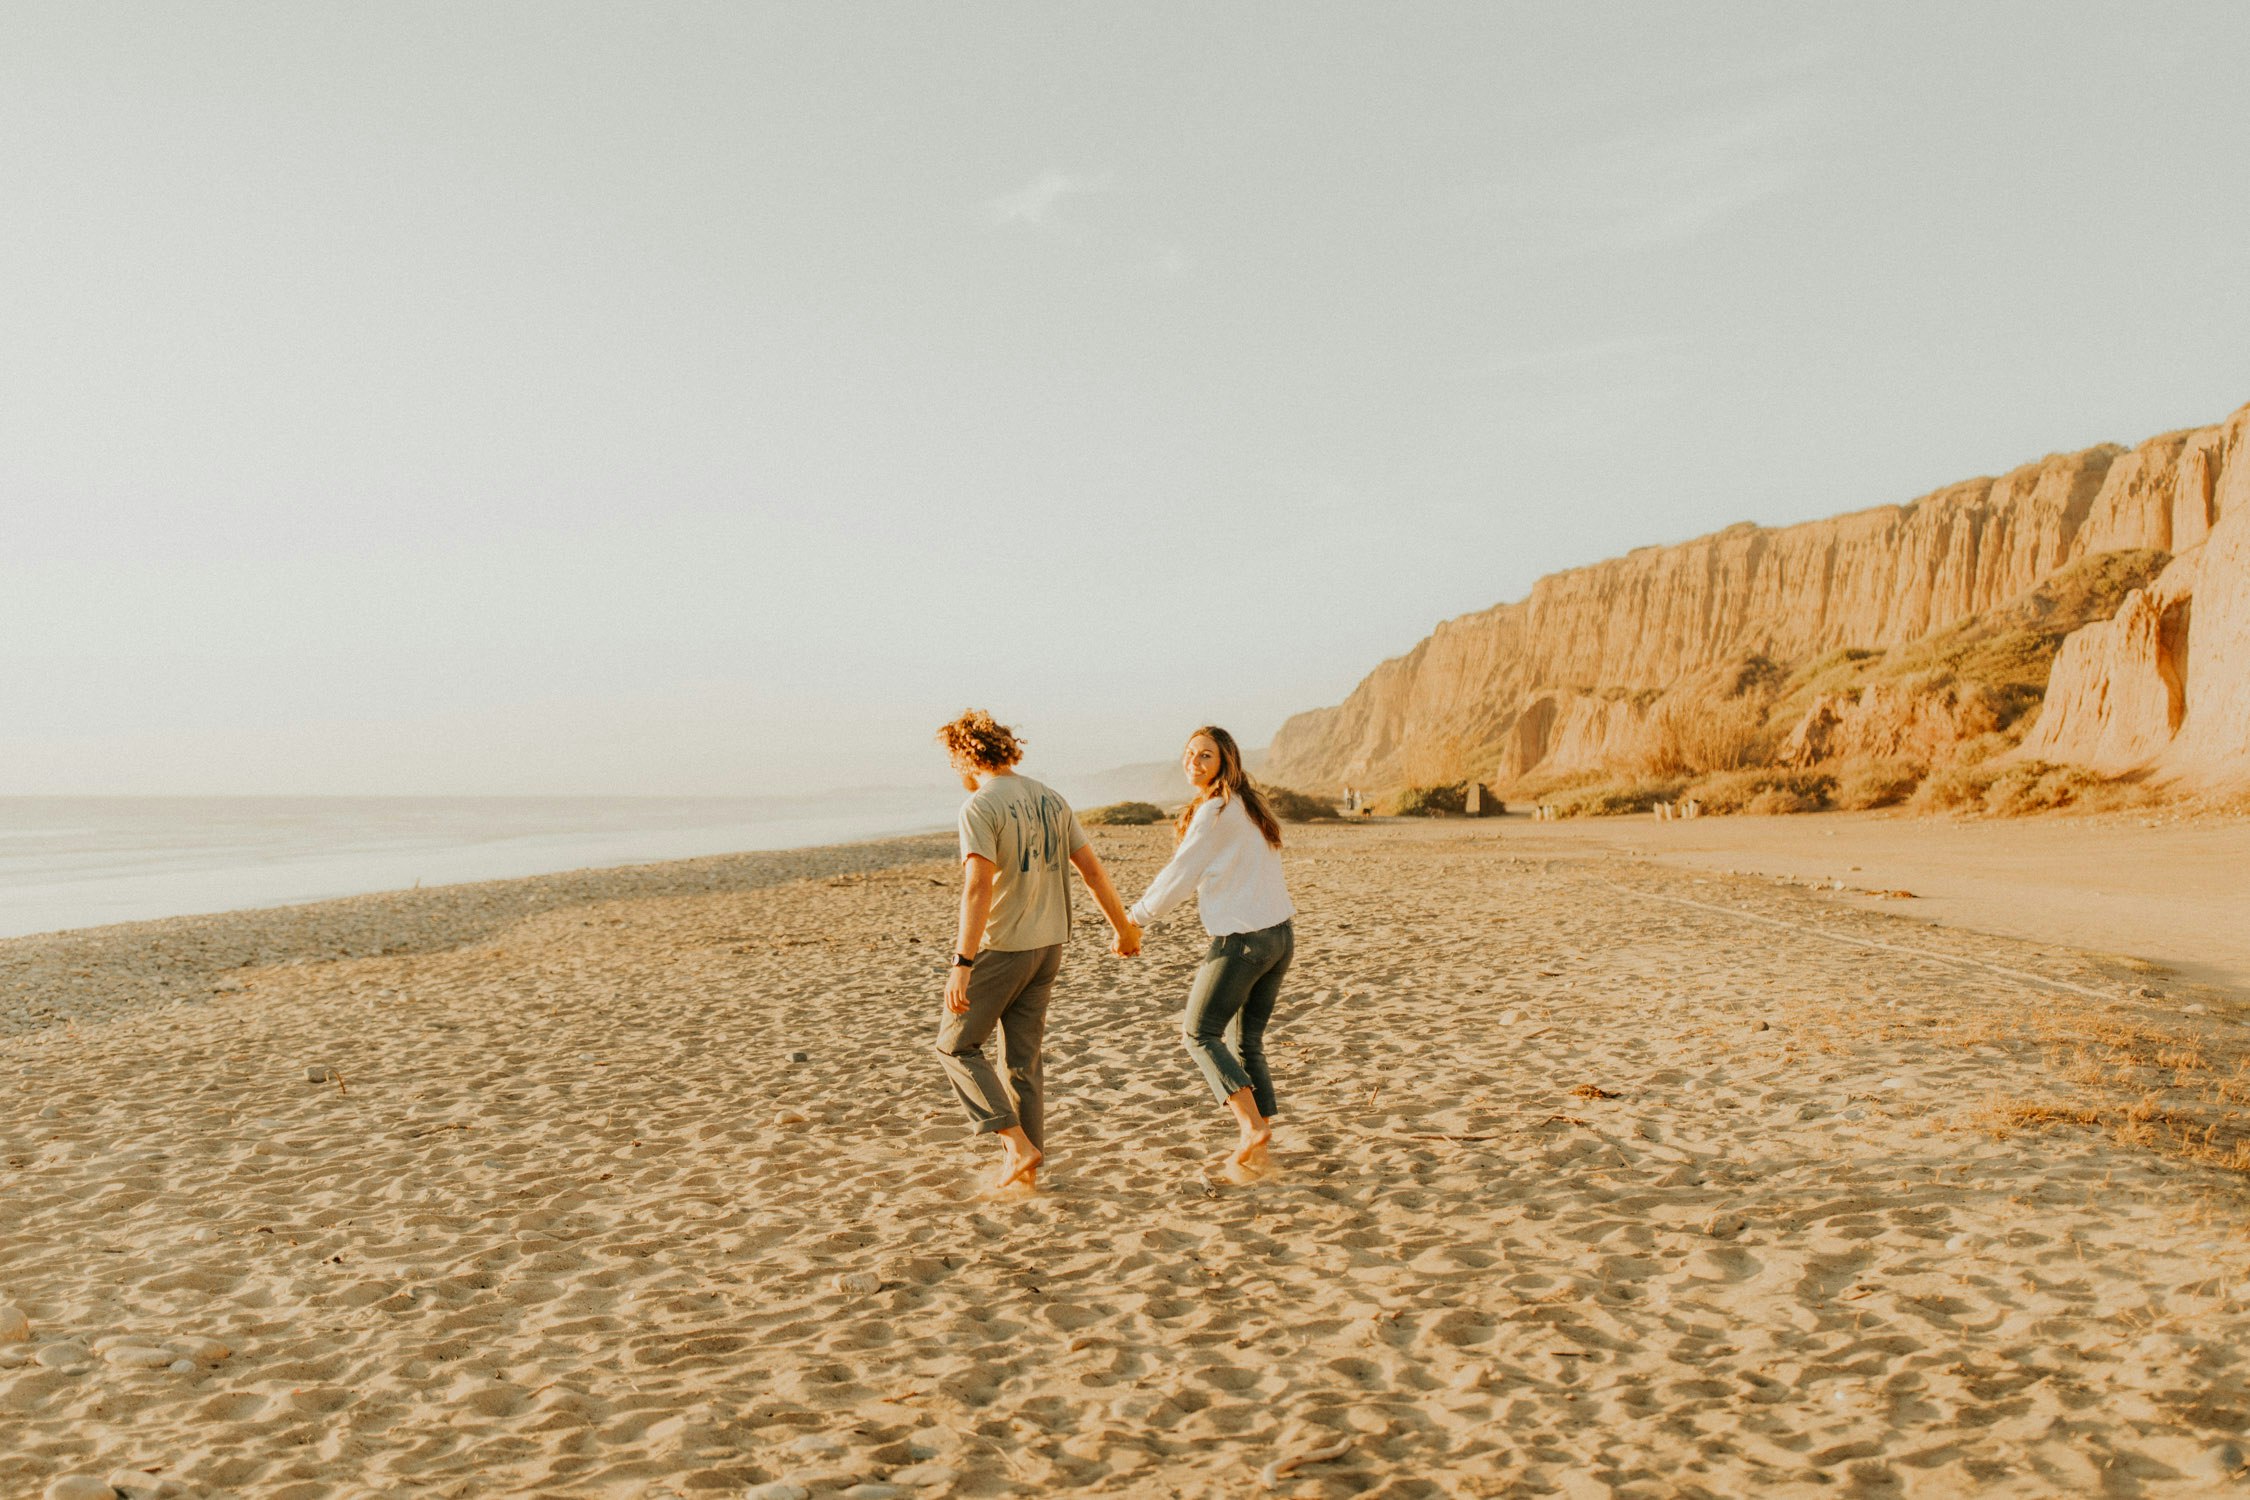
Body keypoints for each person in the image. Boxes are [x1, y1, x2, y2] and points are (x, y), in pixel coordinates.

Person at [933, 709, 1137, 1192]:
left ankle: (1015, 1144)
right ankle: (1028, 1171)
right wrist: (1124, 928)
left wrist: (962, 963)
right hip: (1049, 947)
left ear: (965, 757)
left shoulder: (980, 807)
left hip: (1003, 947)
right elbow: (1092, 872)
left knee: (955, 1045)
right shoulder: (1051, 798)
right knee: (1022, 1062)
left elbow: (978, 888)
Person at [1117, 725, 1295, 1179]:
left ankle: (1252, 1127)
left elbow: (1180, 875)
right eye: (1189, 755)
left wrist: (1132, 920)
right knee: (1245, 1040)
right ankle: (1259, 1140)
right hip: (1279, 936)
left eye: (1205, 757)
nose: (1193, 763)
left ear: (1226, 762)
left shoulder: (1216, 810)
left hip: (1244, 941)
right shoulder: (1248, 807)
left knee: (1198, 1034)